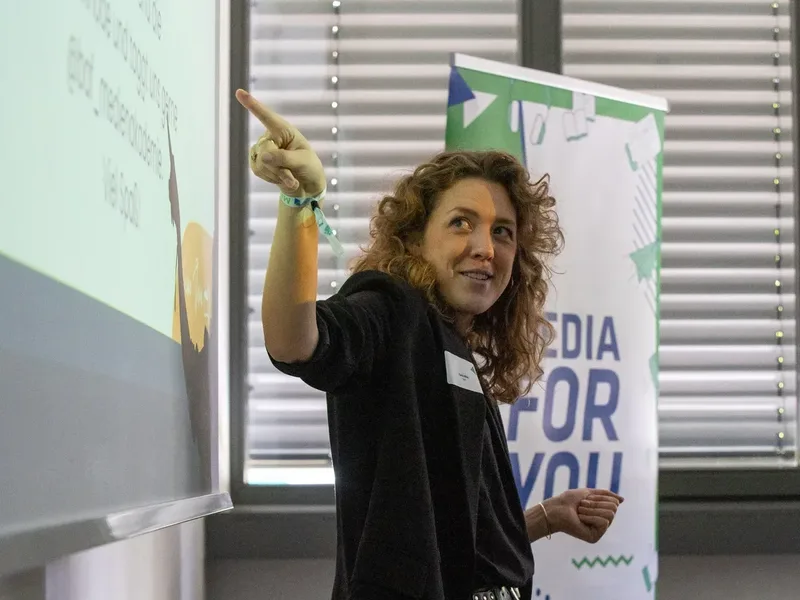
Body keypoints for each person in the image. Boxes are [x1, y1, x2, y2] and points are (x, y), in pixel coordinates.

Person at [236, 88, 624, 600]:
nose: (485, 248)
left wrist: (546, 517)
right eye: (462, 222)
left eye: (503, 231)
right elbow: (295, 340)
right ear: (417, 238)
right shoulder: (391, 310)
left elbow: (446, 532)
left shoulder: (455, 348)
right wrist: (299, 202)